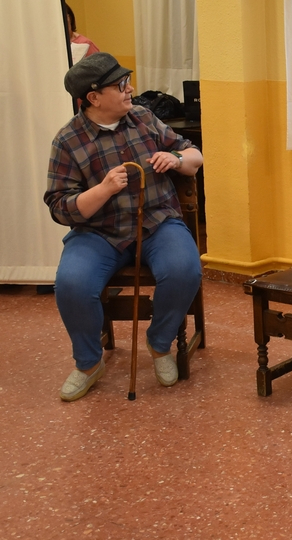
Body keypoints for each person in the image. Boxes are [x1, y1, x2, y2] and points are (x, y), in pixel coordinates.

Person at [45, 52, 204, 401]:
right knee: (71, 283)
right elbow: (59, 206)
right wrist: (101, 190)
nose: (130, 89)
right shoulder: (68, 141)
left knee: (184, 270)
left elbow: (194, 155)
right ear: (93, 97)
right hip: (98, 232)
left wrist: (175, 159)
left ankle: (159, 344)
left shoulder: (143, 118)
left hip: (157, 221)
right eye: (120, 85)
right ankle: (88, 363)